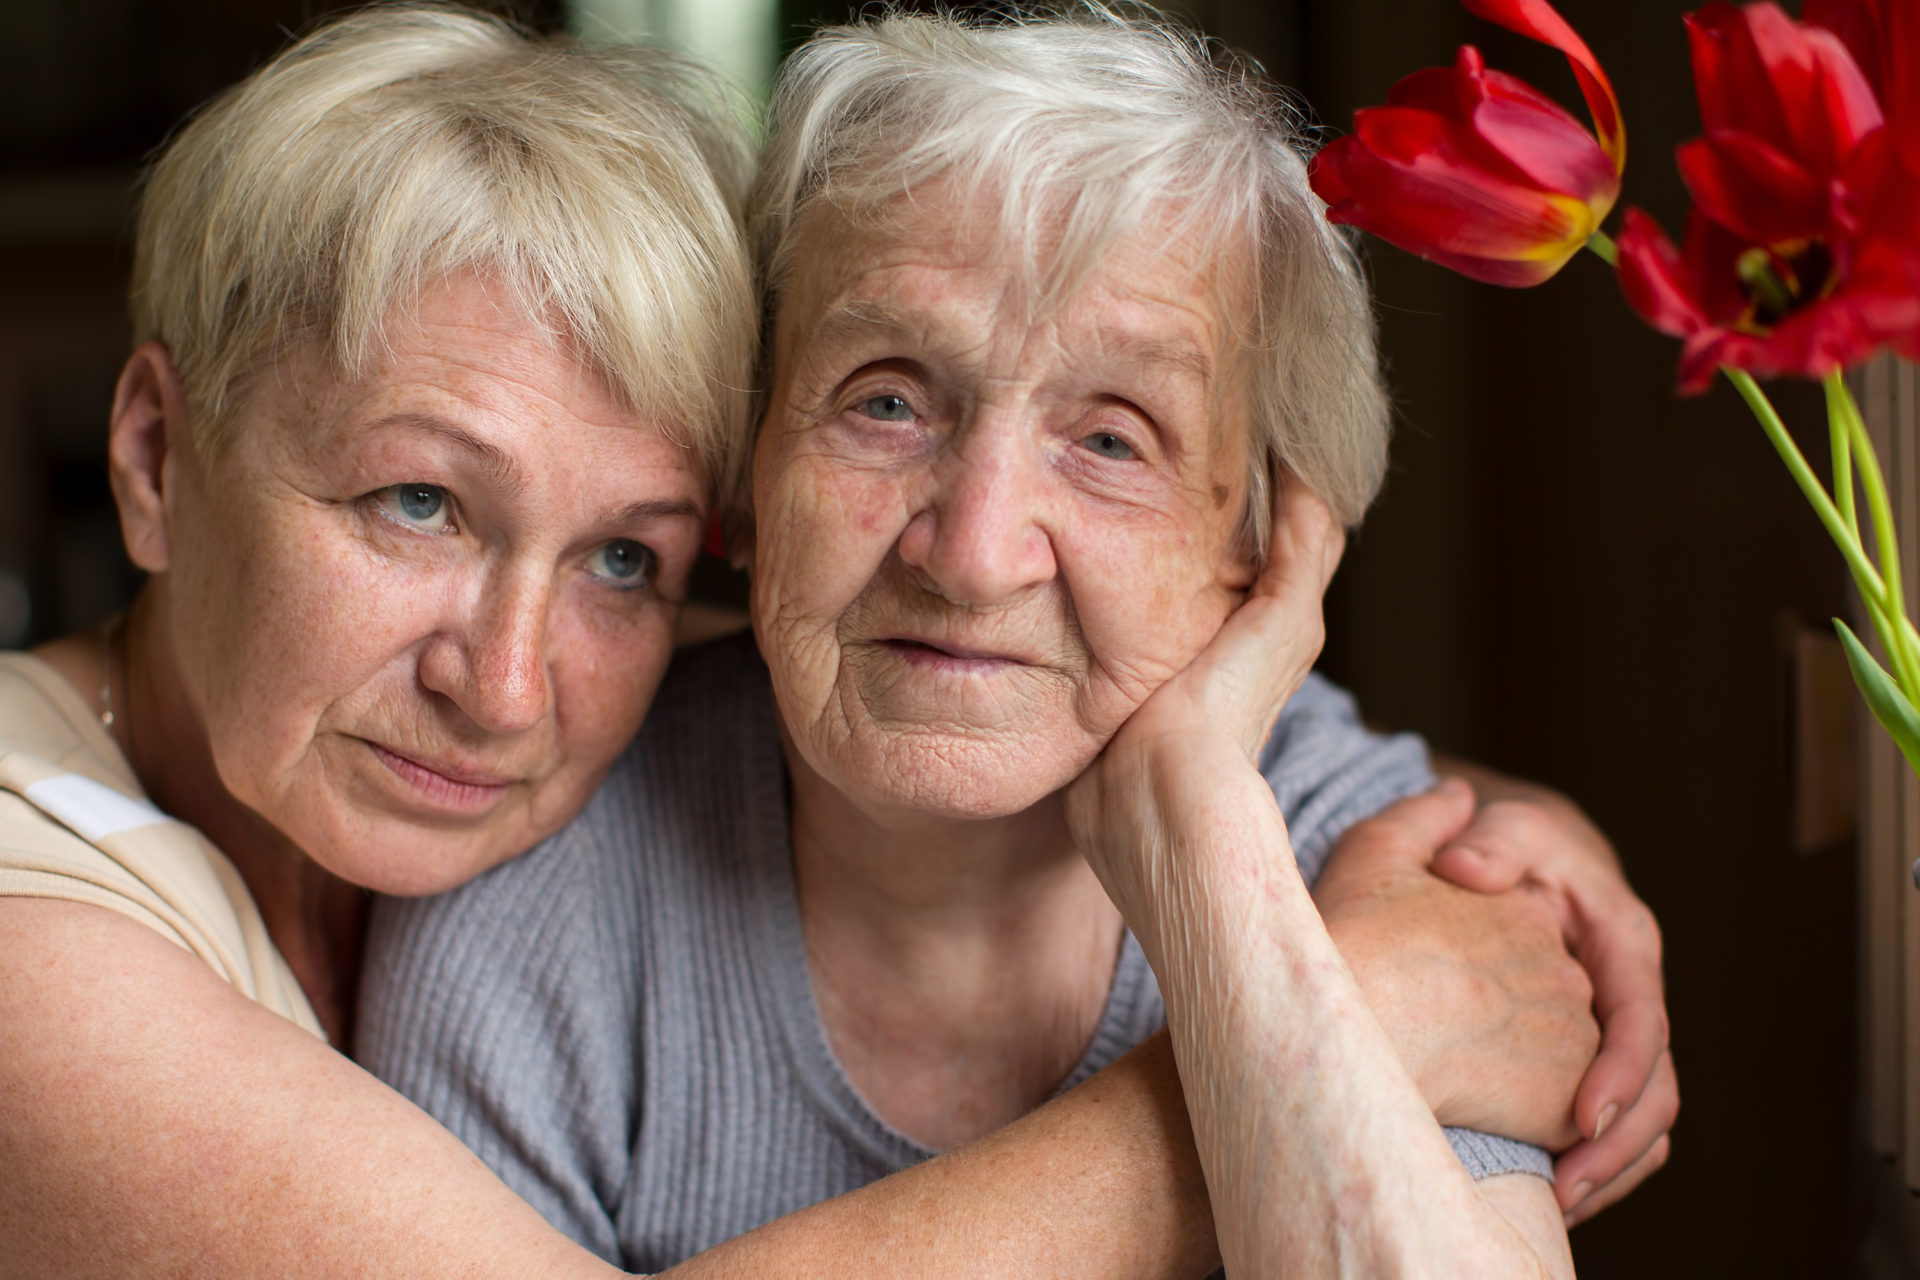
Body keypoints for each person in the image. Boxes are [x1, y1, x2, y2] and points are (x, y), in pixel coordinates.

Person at [358, 8, 1674, 1276]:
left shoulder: (1371, 872)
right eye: (884, 402)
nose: (975, 551)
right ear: (745, 480)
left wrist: (1210, 851)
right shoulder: (542, 893)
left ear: (1256, 545)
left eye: (1111, 440)